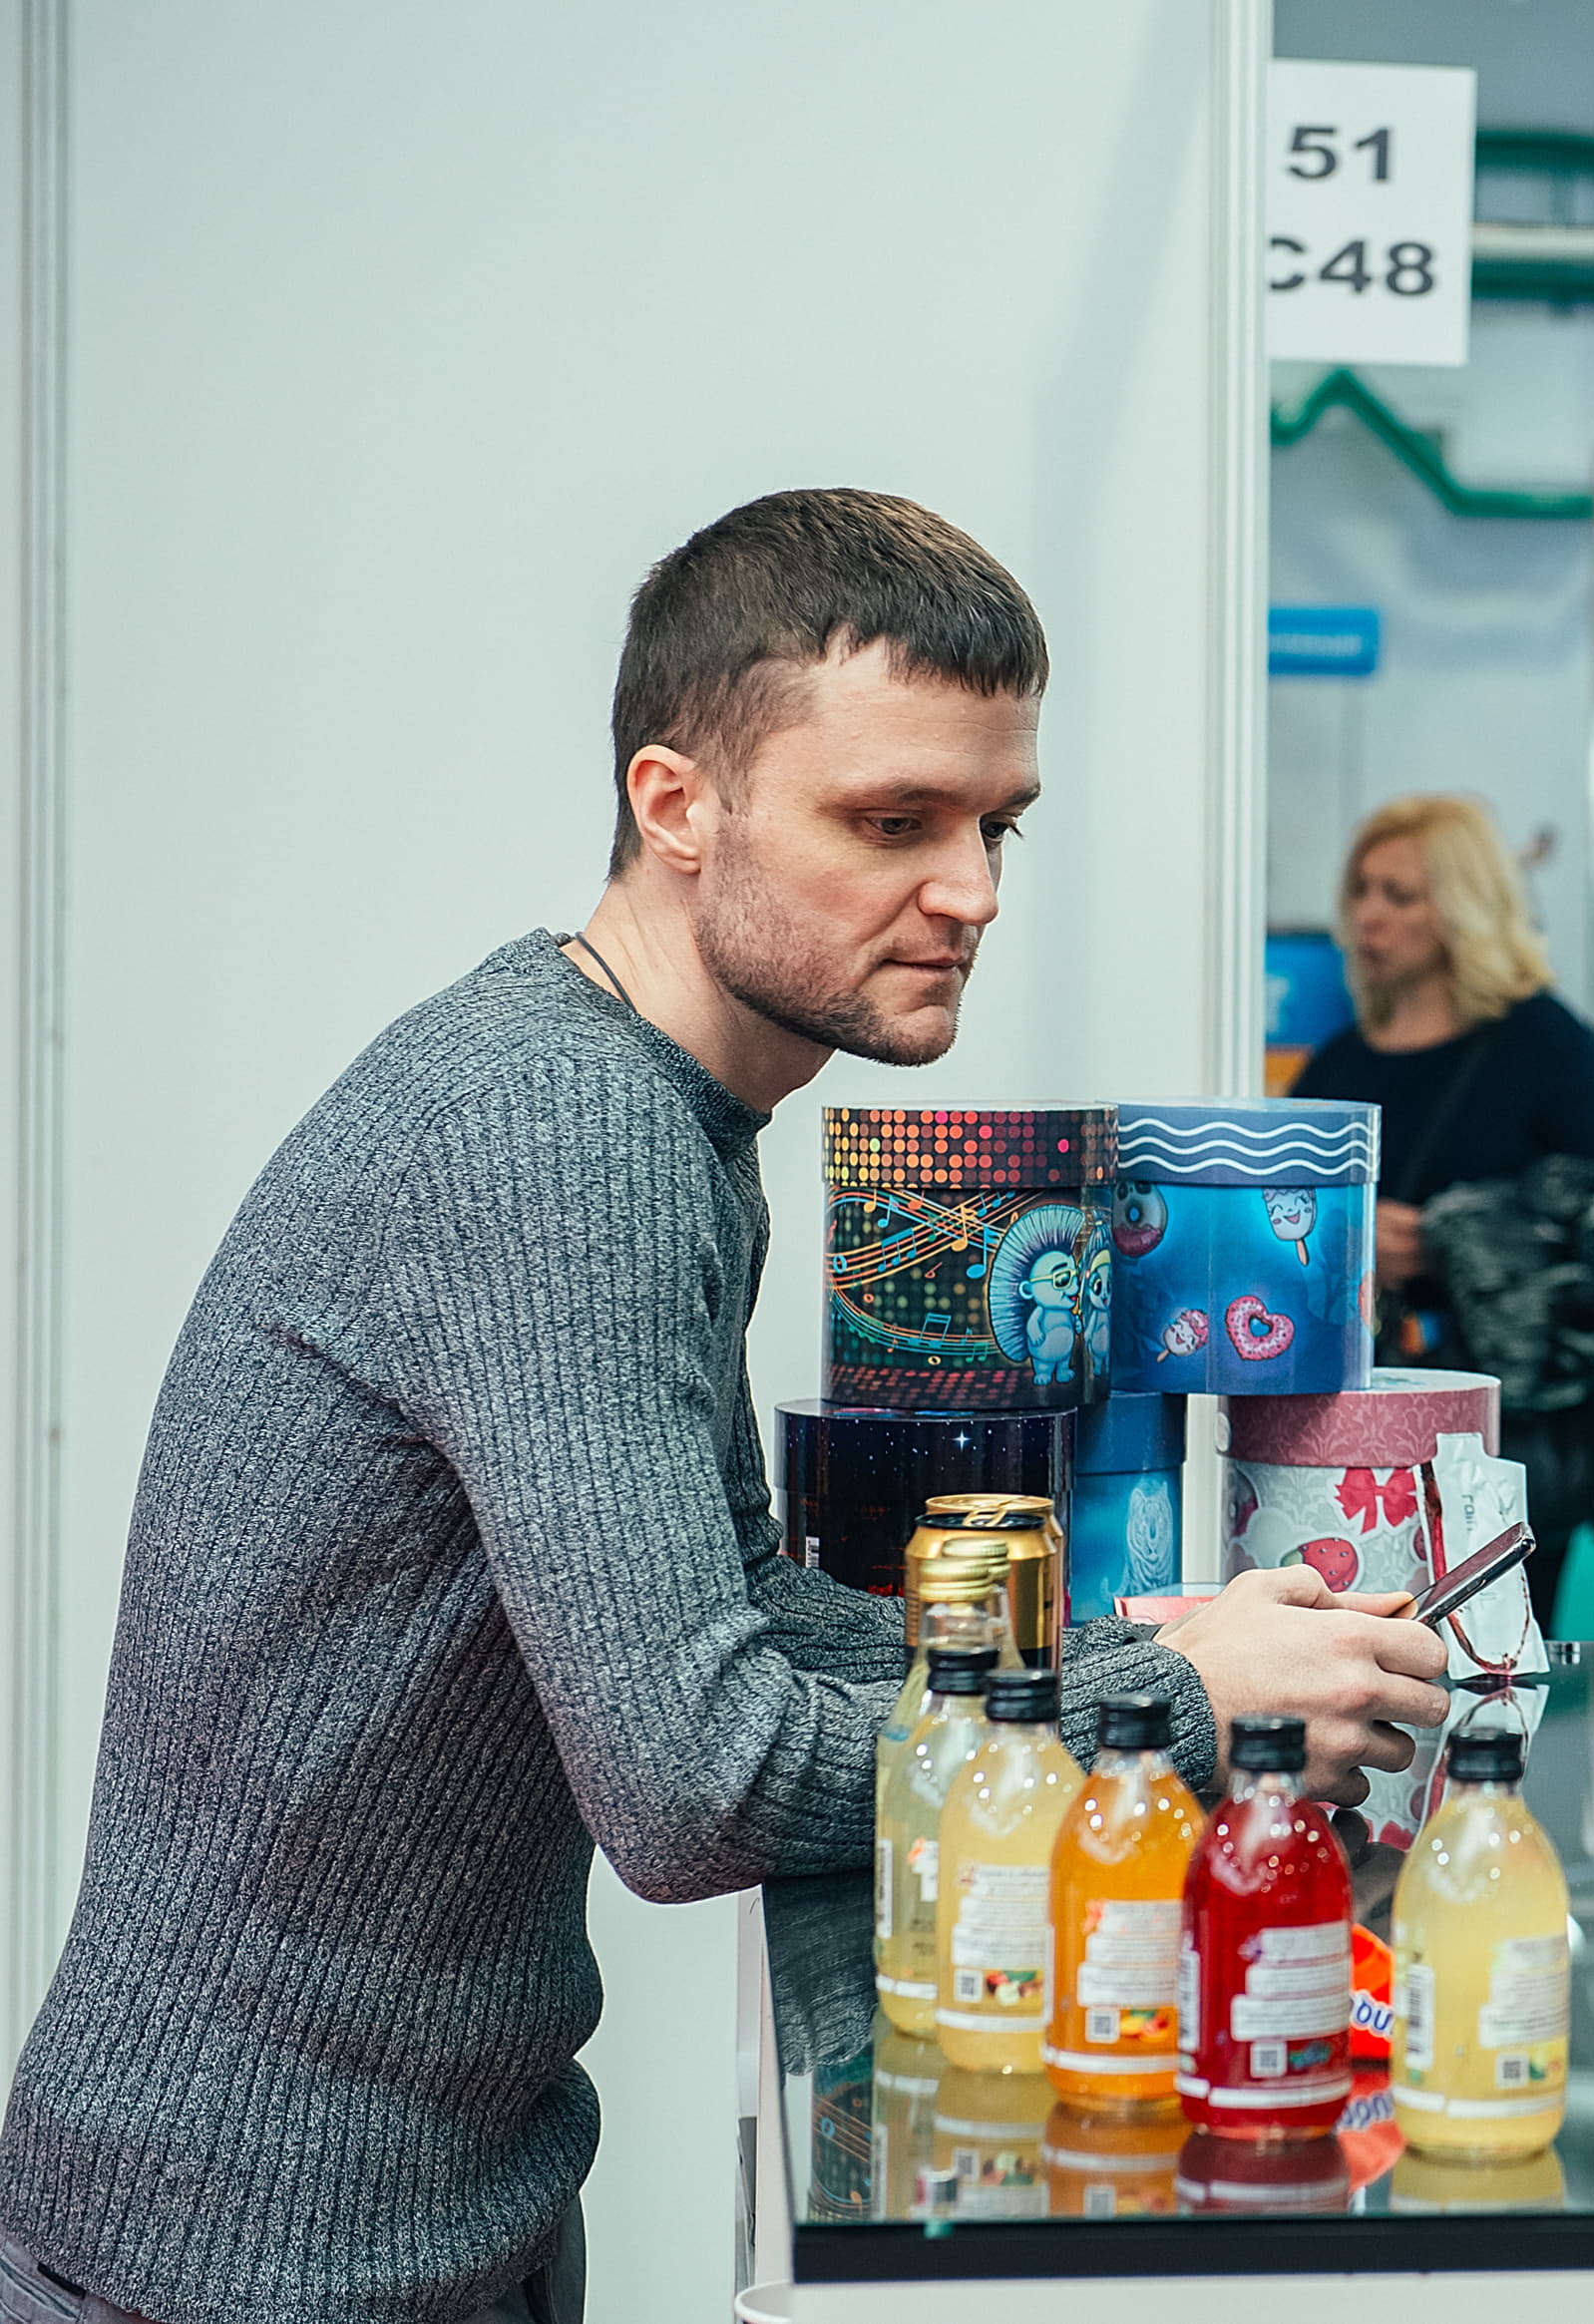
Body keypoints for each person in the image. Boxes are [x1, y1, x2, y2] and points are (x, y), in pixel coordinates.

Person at [0, 491, 1452, 2324]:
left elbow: (745, 1606)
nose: (974, 894)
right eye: (892, 821)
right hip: (251, 2259)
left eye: (996, 824)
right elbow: (695, 1783)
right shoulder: (565, 1127)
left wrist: (1132, 1646)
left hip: (408, 2209)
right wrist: (1170, 1700)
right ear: (676, 803)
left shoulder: (663, 1103)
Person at [1291, 792, 1594, 1625]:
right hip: (1356, 1433)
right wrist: (1348, 1240)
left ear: (1463, 908)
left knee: (1495, 1661)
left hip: (1511, 1435)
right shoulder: (1337, 1066)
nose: (1369, 916)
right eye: (1361, 890)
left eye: (1400, 895)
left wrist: (1455, 1241)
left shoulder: (1543, 1045)